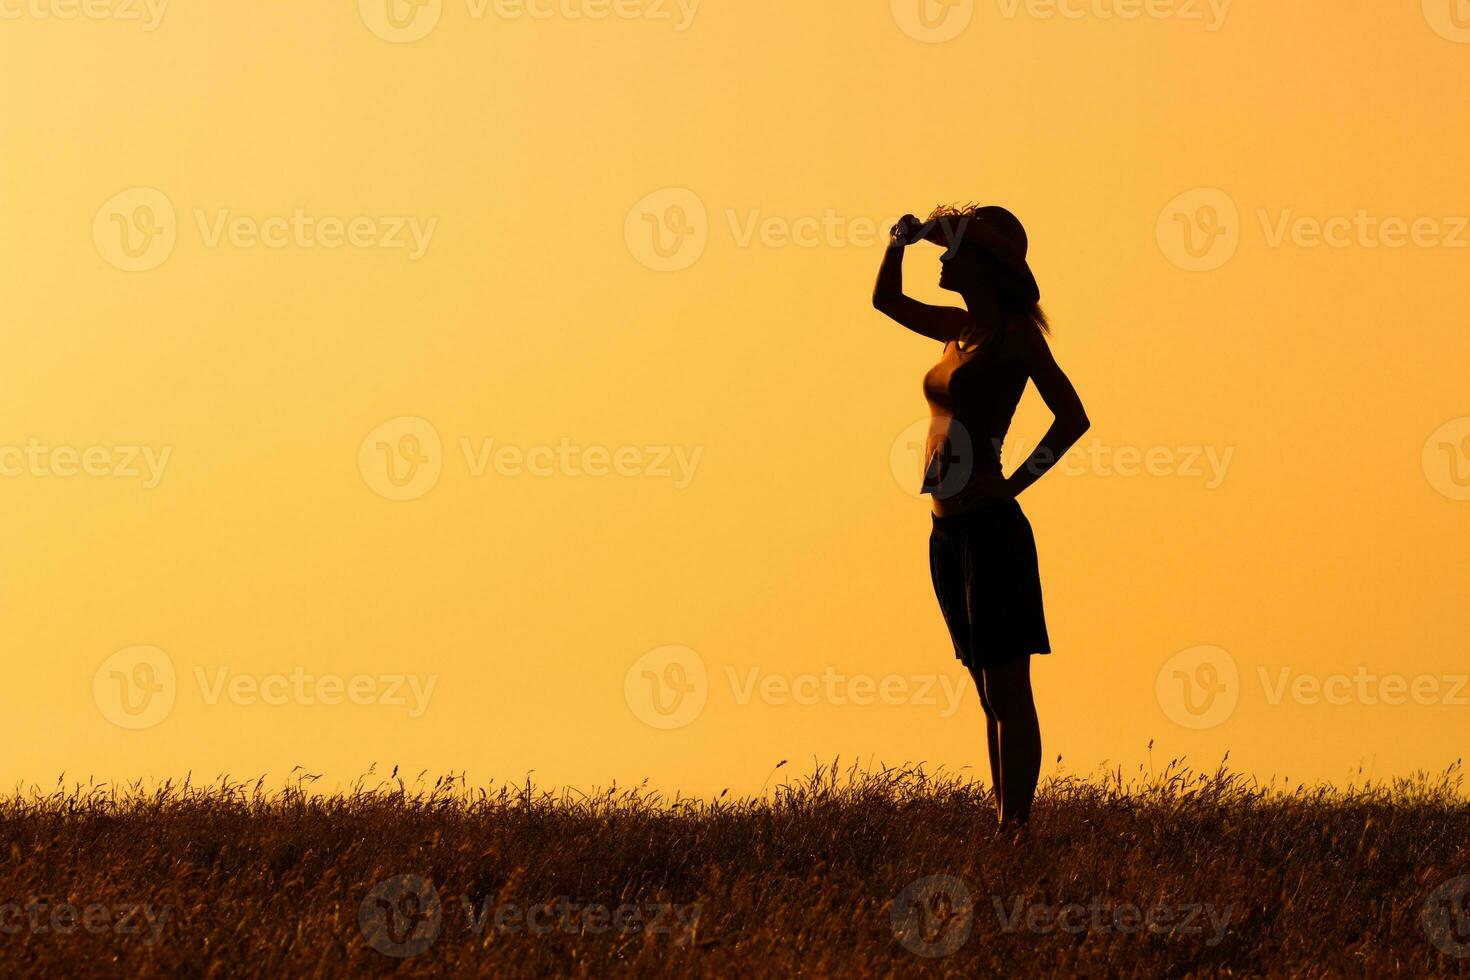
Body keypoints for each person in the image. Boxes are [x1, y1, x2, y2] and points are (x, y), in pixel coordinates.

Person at [872, 204, 1090, 827]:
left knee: (1006, 690)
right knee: (980, 686)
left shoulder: (1013, 336)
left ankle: (1012, 829)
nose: (942, 259)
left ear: (985, 265)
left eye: (955, 250)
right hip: (946, 529)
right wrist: (898, 242)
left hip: (992, 527)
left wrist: (1014, 484)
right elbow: (886, 300)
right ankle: (1005, 821)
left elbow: (1072, 418)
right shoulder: (955, 329)